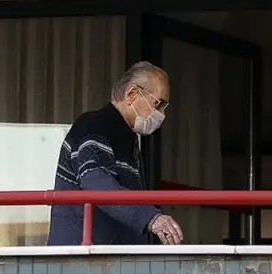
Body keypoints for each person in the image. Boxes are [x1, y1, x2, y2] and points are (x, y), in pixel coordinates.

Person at [46, 61, 184, 246]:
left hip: (110, 257)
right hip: (82, 256)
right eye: (158, 104)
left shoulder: (128, 139)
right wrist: (150, 218)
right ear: (132, 94)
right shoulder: (93, 126)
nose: (162, 115)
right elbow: (96, 183)